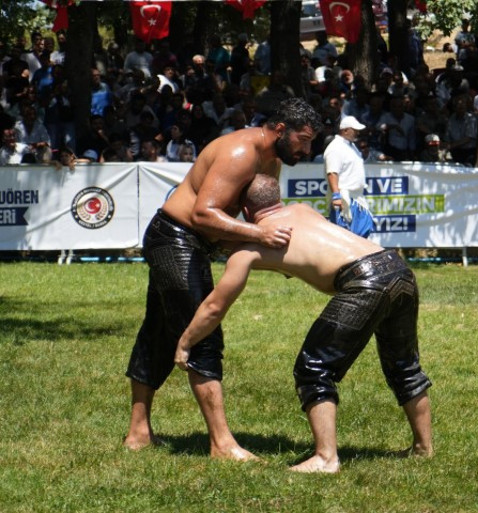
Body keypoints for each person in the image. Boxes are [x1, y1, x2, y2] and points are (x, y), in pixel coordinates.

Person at [175, 175, 433, 473]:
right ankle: (423, 448)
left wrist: (185, 342)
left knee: (313, 368)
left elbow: (214, 306)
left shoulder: (247, 251)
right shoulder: (302, 210)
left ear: (244, 211)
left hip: (363, 281)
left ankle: (326, 458)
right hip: (397, 267)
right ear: (276, 198)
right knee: (403, 364)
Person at [123, 98, 322, 460]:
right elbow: (204, 213)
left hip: (193, 243)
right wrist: (260, 237)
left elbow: (256, 219)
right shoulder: (240, 153)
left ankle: (138, 433)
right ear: (280, 130)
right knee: (203, 334)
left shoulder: (272, 160)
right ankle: (221, 443)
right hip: (175, 237)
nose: (307, 150)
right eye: (303, 140)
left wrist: (280, 254)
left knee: (159, 330)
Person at [324, 115, 374, 238]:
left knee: (363, 232)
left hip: (357, 199)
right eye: (354, 129)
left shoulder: (351, 146)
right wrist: (336, 196)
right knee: (345, 237)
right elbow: (332, 173)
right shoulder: (335, 148)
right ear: (345, 130)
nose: (357, 132)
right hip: (344, 198)